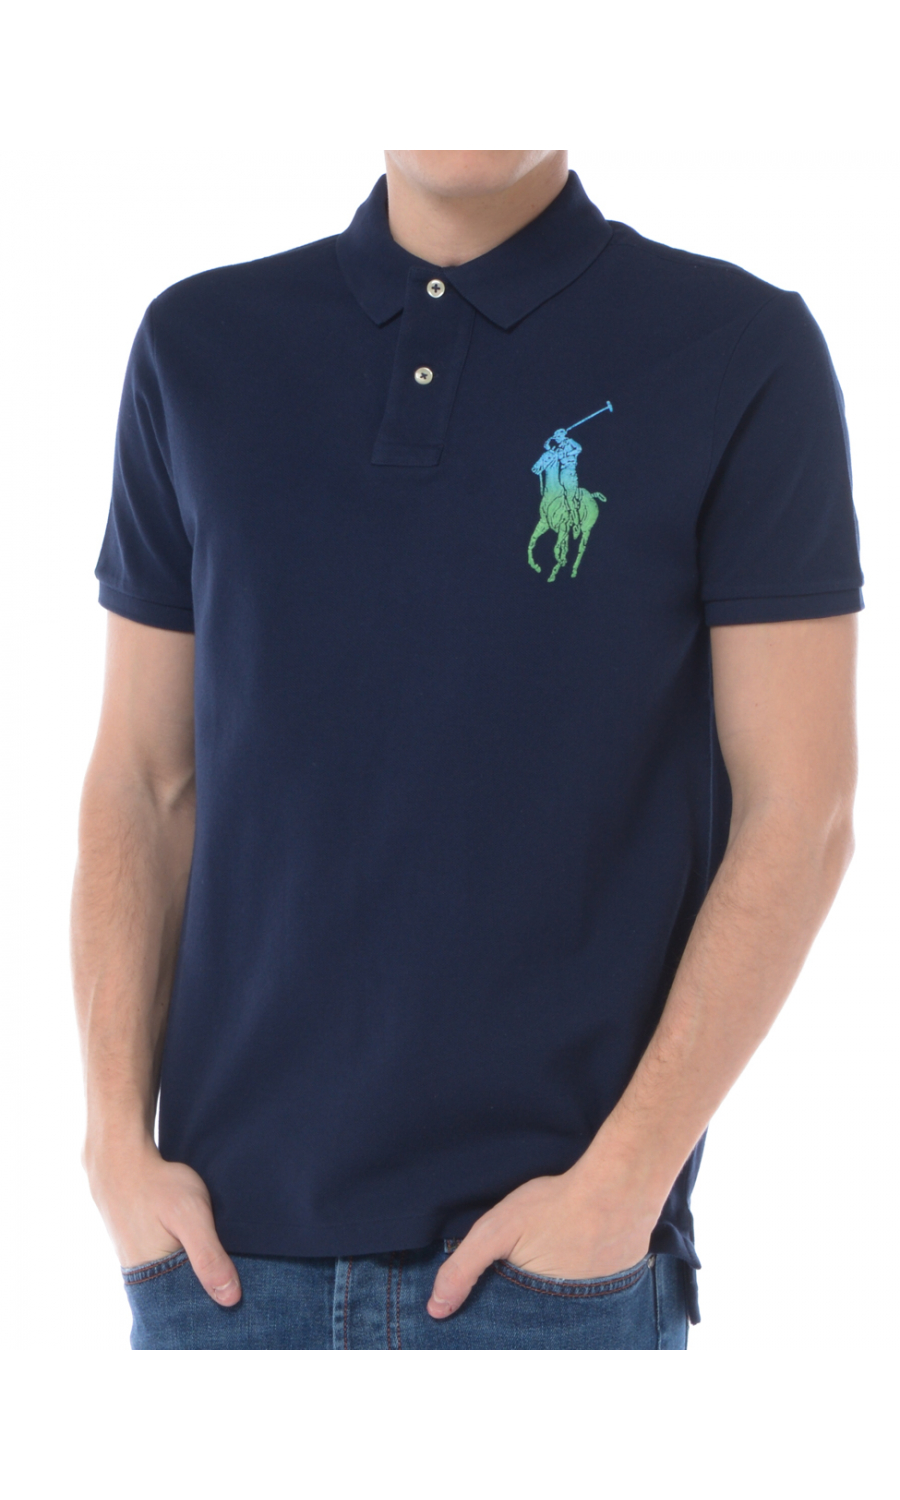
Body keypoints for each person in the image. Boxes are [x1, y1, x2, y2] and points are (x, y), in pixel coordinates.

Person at [71, 150, 863, 1350]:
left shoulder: (738, 348)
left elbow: (801, 810)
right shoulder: (199, 344)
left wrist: (623, 1184)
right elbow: (143, 777)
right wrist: (112, 1149)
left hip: (556, 1281)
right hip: (223, 1273)